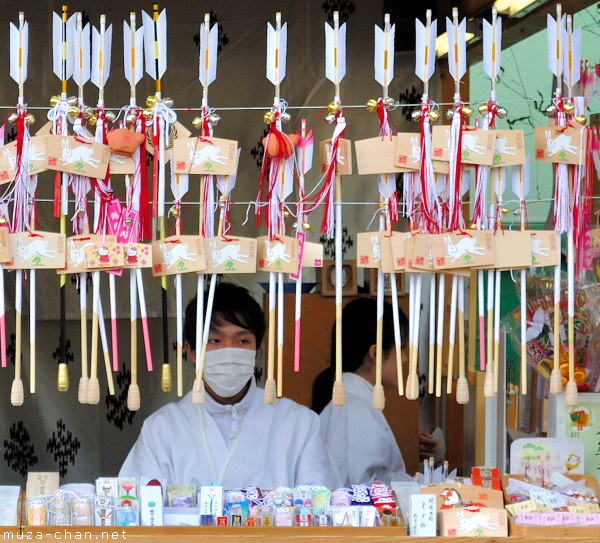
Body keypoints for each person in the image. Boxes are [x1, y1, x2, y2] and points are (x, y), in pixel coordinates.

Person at [120, 282, 341, 490]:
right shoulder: (162, 429)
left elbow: (322, 507)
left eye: (242, 341)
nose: (229, 350)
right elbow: (137, 509)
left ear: (258, 351)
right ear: (191, 351)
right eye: (215, 341)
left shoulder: (298, 424)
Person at [312, 297, 436, 486]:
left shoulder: (354, 402)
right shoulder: (355, 409)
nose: (404, 359)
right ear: (375, 354)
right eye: (401, 348)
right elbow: (366, 487)